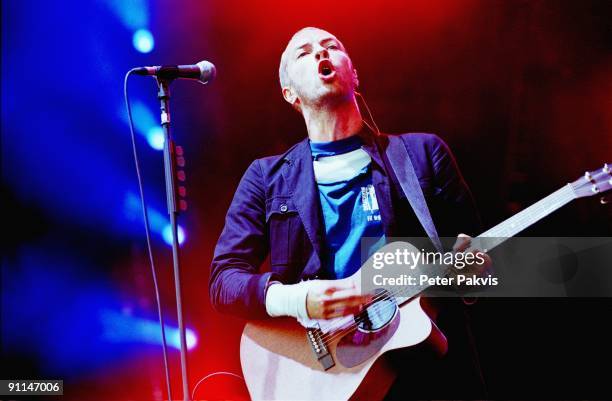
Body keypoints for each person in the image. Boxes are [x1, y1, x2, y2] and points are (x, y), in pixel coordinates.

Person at [209, 26, 488, 399]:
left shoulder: (422, 155)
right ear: (289, 92)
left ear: (354, 74)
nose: (321, 54)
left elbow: (482, 261)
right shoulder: (266, 177)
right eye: (304, 53)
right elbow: (224, 282)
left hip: (423, 374)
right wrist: (299, 299)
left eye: (331, 46)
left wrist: (476, 274)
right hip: (321, 378)